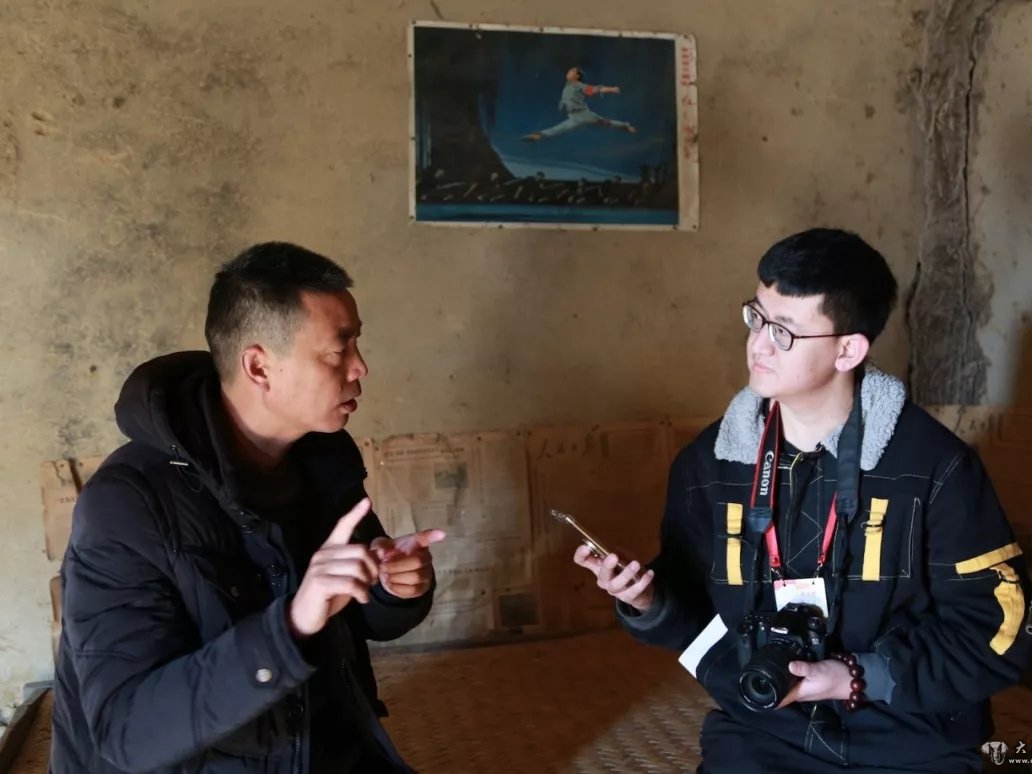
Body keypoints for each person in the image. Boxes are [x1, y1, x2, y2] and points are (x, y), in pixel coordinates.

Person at [573, 228, 1032, 773]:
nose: (758, 345)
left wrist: (853, 676)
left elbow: (994, 633)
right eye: (757, 317)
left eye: (784, 332)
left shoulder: (934, 467)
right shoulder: (711, 464)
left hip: (910, 737)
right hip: (762, 730)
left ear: (848, 349)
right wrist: (649, 602)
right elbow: (696, 617)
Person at [51, 242, 444, 773]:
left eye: (358, 342)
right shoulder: (126, 504)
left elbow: (360, 617)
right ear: (259, 366)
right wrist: (292, 623)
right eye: (339, 349)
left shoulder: (322, 460)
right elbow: (126, 733)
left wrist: (391, 588)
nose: (361, 367)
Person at [523, 66, 637, 141]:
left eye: (572, 71)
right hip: (574, 115)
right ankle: (539, 135)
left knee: (605, 123)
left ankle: (625, 126)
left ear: (577, 76)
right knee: (561, 128)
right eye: (569, 71)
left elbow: (594, 89)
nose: (568, 72)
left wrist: (611, 89)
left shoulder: (578, 85)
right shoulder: (568, 86)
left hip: (583, 114)